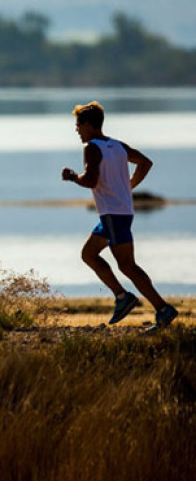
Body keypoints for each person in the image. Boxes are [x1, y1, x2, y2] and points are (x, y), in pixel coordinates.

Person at [61, 101, 179, 332]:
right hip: (117, 213)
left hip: (114, 215)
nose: (77, 130)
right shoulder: (117, 145)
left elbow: (91, 180)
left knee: (127, 265)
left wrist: (73, 177)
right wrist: (128, 186)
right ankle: (122, 296)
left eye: (78, 125)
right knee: (89, 254)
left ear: (88, 125)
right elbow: (145, 163)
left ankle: (162, 309)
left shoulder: (92, 147)